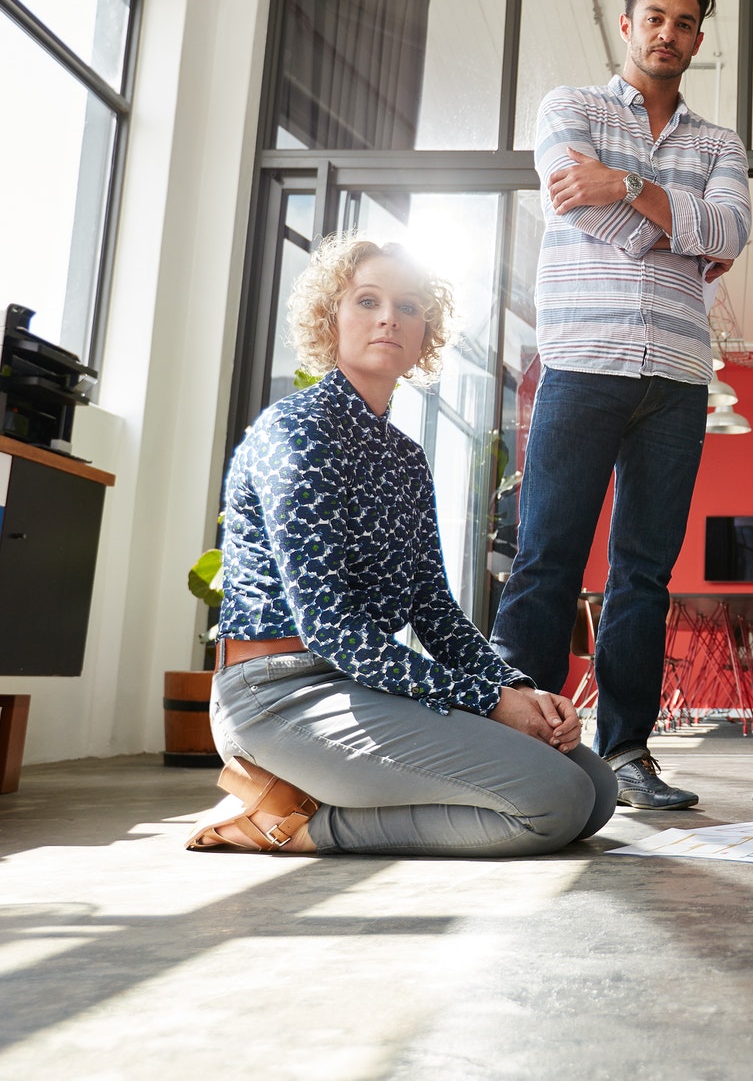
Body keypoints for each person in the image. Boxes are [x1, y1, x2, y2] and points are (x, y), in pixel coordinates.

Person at [193, 235, 617, 857]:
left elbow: (434, 611)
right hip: (278, 693)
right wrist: (489, 703)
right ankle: (293, 823)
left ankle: (335, 791)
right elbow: (331, 626)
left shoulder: (406, 459)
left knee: (595, 787)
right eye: (367, 300)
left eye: (409, 306)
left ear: (424, 335)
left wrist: (521, 691)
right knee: (556, 803)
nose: (390, 316)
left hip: (366, 684)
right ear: (329, 319)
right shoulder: (298, 431)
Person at [490, 0, 751, 811]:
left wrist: (632, 185)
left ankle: (629, 749)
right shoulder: (570, 106)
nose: (668, 33)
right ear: (629, 25)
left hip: (676, 377)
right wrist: (677, 232)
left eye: (684, 23)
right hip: (580, 365)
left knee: (643, 572)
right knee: (546, 559)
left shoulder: (719, 142)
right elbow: (579, 203)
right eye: (654, 18)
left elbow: (731, 231)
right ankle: (516, 740)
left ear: (698, 38)